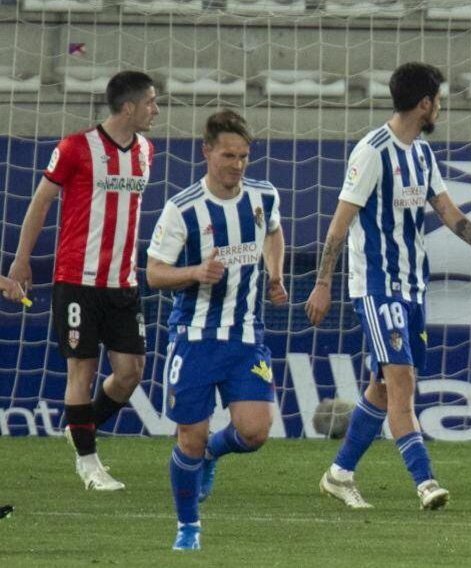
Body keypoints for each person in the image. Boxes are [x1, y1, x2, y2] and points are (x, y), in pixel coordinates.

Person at [305, 62, 471, 511]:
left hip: (412, 287)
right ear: (425, 103)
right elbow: (339, 225)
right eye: (438, 99)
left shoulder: (421, 153)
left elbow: (449, 213)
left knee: (383, 388)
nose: (439, 107)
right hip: (378, 287)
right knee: (402, 386)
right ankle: (425, 483)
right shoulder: (371, 152)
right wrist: (323, 283)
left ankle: (339, 474)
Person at [7, 70, 159, 491]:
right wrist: (22, 261)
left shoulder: (146, 150)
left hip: (123, 282)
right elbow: (40, 203)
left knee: (131, 372)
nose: (156, 110)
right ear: (127, 107)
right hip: (77, 279)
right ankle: (89, 463)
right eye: (150, 102)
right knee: (83, 370)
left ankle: (80, 428)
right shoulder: (76, 148)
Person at [146, 110, 289, 551]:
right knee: (189, 435)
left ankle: (213, 452)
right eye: (229, 155)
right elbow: (153, 274)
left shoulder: (263, 195)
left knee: (255, 432)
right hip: (195, 338)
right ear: (207, 151)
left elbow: (274, 233)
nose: (238, 164)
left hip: (246, 337)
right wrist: (195, 271)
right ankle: (188, 527)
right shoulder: (182, 208)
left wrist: (275, 273)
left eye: (244, 156)